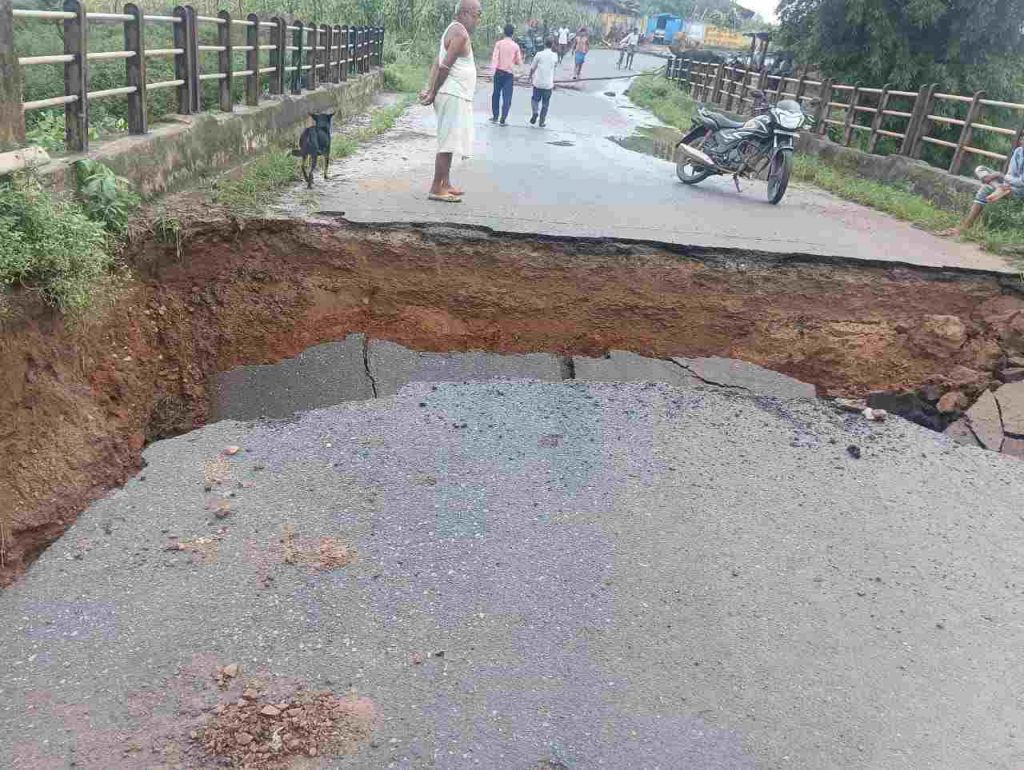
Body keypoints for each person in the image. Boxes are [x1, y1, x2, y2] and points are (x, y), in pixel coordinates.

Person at [419, 0, 482, 203]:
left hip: (456, 94)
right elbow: (444, 66)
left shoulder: (454, 29)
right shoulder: (460, 33)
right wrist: (432, 92)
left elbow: (437, 61)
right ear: (464, 13)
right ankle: (437, 188)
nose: (478, 20)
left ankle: (445, 183)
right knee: (447, 143)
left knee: (451, 140)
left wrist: (430, 88)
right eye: (477, 14)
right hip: (452, 94)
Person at [940, 143, 1024, 236]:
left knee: (986, 188)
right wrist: (1001, 178)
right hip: (1007, 184)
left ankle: (966, 226)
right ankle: (998, 187)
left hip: (1019, 190)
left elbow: (1021, 182)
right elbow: (1010, 173)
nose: (1022, 140)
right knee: (980, 169)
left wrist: (999, 175)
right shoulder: (1018, 151)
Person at [490, 24, 522, 126]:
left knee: (496, 94)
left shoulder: (499, 44)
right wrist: (519, 72)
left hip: (498, 72)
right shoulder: (515, 46)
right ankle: (503, 118)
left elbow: (495, 58)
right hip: (509, 74)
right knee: (507, 97)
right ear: (513, 34)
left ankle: (495, 116)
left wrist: (492, 71)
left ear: (504, 32)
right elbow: (519, 61)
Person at [529, 37, 558, 128]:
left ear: (544, 44)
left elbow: (532, 68)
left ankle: (535, 112)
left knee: (535, 99)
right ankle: (541, 121)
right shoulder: (555, 56)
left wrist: (530, 76)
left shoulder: (539, 54)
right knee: (545, 103)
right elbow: (555, 66)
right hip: (548, 84)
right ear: (552, 45)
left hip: (538, 82)